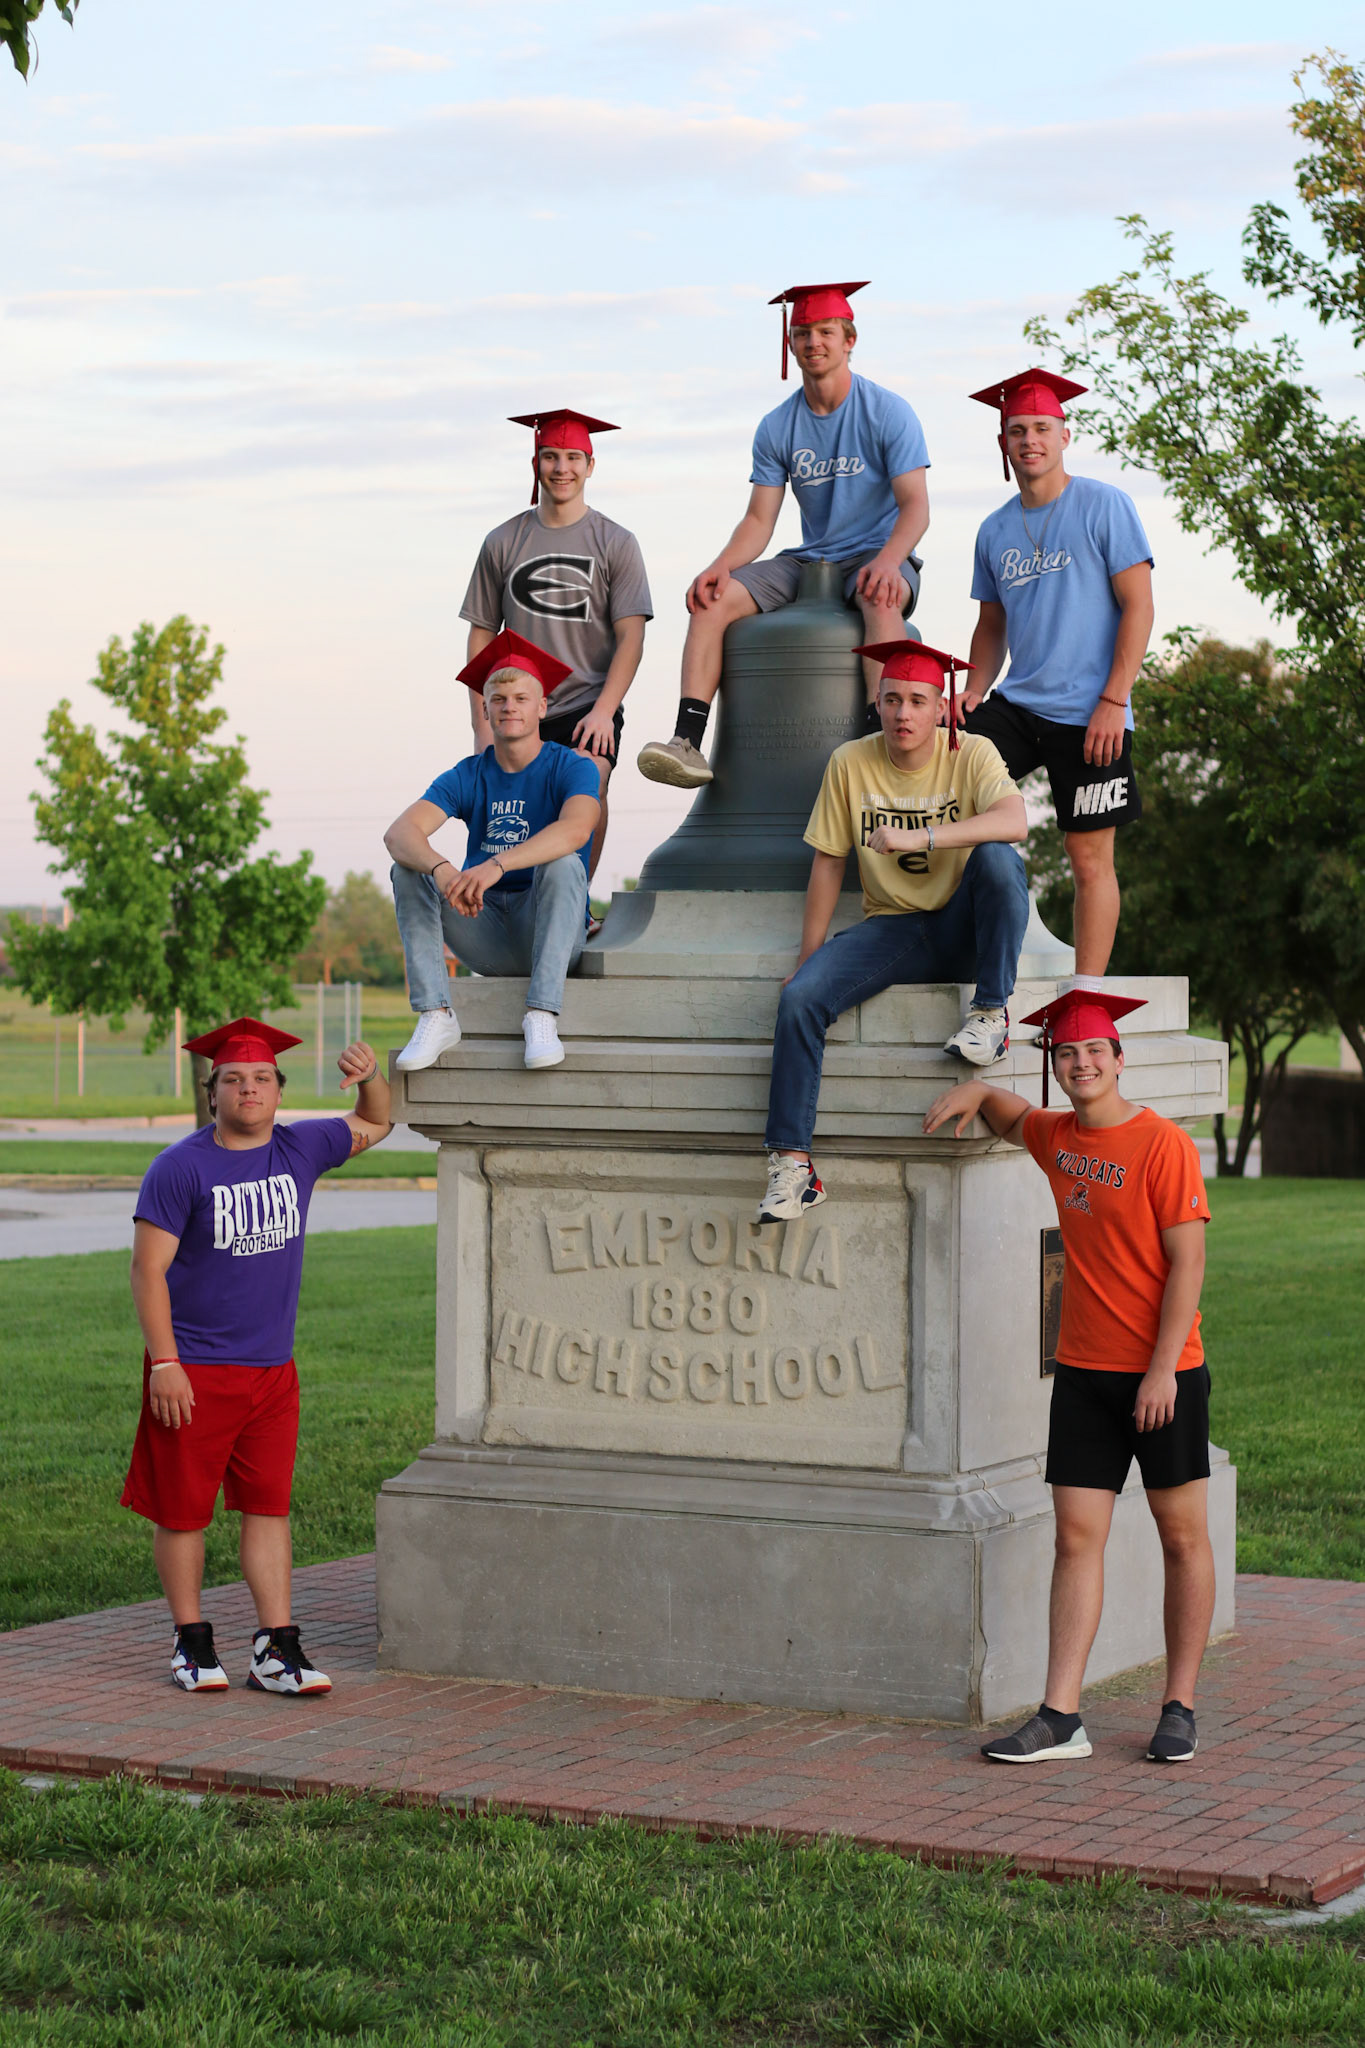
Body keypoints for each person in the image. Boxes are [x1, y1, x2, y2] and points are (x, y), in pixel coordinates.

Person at [923, 990, 1215, 1765]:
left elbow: (1188, 1263)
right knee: (1076, 1541)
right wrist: (979, 1090)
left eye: (1093, 1052)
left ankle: (1179, 1705)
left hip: (1164, 1376)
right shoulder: (1056, 1135)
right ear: (1055, 1068)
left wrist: (1160, 1372)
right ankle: (1060, 1716)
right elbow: (1014, 1116)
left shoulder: (1162, 1146)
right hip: (1084, 1375)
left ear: (1118, 1060)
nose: (1081, 1064)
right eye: (1065, 1054)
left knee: (1180, 1538)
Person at [122, 1017, 393, 1695]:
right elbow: (146, 1270)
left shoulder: (301, 1149)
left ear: (278, 1091)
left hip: (272, 1371)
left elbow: (378, 1123)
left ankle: (276, 1647)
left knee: (268, 1507)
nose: (250, 1089)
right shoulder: (179, 1167)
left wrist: (371, 1078)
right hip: (193, 1370)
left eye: (263, 1079)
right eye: (235, 1080)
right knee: (183, 1511)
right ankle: (190, 1643)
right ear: (213, 1092)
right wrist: (164, 1363)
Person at [757, 640, 1028, 1223]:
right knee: (800, 998)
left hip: (963, 926)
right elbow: (829, 860)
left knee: (999, 859)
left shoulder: (972, 753)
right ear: (876, 703)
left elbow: (1015, 821)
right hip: (895, 932)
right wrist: (810, 955)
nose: (905, 713)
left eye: (919, 701)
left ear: (940, 708)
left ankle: (990, 1013)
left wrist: (922, 837)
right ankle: (792, 1166)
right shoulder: (851, 762)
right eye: (893, 700)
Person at [637, 281, 931, 790]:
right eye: (803, 333)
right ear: (790, 343)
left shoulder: (888, 412)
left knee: (878, 597)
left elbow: (916, 507)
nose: (813, 342)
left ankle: (874, 743)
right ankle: (687, 742)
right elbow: (759, 520)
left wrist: (888, 561)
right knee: (712, 601)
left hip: (878, 554)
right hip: (808, 561)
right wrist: (719, 566)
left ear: (848, 340)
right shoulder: (777, 425)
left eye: (825, 332)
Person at [962, 368, 1155, 983]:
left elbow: (1140, 606)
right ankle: (949, 946)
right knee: (943, 777)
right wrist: (971, 690)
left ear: (1064, 435)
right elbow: (991, 627)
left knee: (1088, 854)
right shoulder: (993, 529)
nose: (1029, 440)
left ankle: (1088, 994)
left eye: (1041, 428)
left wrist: (1113, 700)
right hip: (1019, 703)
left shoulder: (1104, 505)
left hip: (1091, 710)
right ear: (1003, 442)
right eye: (1016, 430)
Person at [386, 629, 601, 1075]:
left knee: (562, 864)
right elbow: (400, 833)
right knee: (408, 869)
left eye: (522, 698)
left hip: (547, 929)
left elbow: (577, 829)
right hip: (480, 926)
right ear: (484, 708)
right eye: (499, 699)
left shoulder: (571, 766)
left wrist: (496, 864)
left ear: (542, 707)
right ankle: (435, 1015)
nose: (509, 707)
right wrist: (444, 870)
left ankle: (541, 1015)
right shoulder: (469, 774)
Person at [462, 408, 652, 886]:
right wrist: (481, 722)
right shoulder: (503, 541)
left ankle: (575, 904)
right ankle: (515, 903)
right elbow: (482, 633)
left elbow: (632, 634)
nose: (561, 468)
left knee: (588, 788)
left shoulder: (617, 542)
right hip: (517, 705)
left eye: (573, 457)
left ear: (591, 465)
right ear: (536, 463)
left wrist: (605, 711)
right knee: (516, 810)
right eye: (550, 456)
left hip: (587, 703)